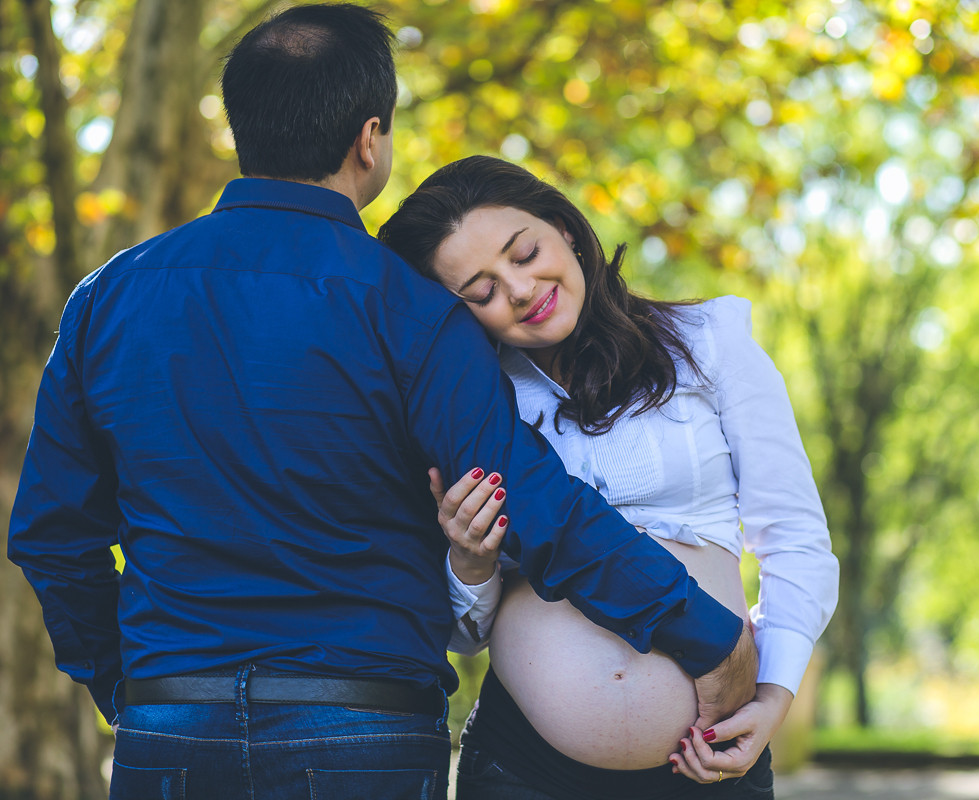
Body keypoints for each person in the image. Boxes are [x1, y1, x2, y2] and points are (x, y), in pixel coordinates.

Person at [5, 7, 758, 800]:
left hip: (172, 724)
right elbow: (526, 499)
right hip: (364, 732)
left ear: (243, 127)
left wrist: (132, 689)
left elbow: (54, 538)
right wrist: (706, 634)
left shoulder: (107, 300)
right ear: (370, 139)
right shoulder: (410, 310)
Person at [378, 155, 839, 800]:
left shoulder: (710, 341)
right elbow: (465, 637)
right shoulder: (472, 407)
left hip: (710, 754)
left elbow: (794, 536)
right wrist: (470, 561)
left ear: (565, 229)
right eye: (479, 291)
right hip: (523, 768)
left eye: (524, 251)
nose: (517, 288)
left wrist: (774, 693)